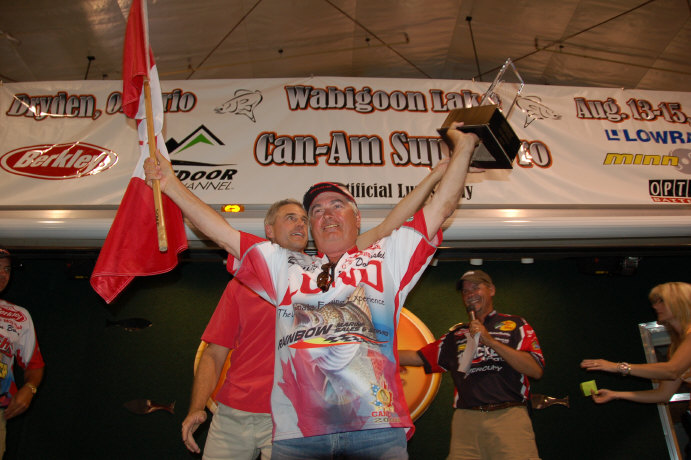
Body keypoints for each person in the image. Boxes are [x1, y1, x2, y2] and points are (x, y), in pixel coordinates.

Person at [145, 121, 479, 459]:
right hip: (298, 438)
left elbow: (441, 207)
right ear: (312, 228)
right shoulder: (284, 267)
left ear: (357, 219)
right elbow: (222, 233)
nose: (326, 214)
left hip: (377, 431)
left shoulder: (386, 257)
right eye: (316, 210)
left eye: (337, 205)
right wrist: (170, 184)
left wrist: (463, 148)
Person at [399, 269, 544, 460]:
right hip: (465, 421)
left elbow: (535, 370)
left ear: (491, 290)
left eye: (476, 287)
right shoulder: (457, 335)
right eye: (465, 291)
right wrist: (373, 354)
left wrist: (490, 341)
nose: (470, 294)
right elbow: (417, 357)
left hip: (508, 417)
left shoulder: (516, 324)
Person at [580, 282, 691, 457]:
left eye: (661, 301)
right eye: (655, 302)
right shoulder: (677, 347)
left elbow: (672, 370)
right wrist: (616, 394)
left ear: (680, 302)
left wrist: (617, 367)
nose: (655, 306)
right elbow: (663, 394)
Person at [0, 248, 45, 457]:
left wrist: (30, 388)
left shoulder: (18, 316)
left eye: (7, 269)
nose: (3, 275)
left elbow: (34, 365)